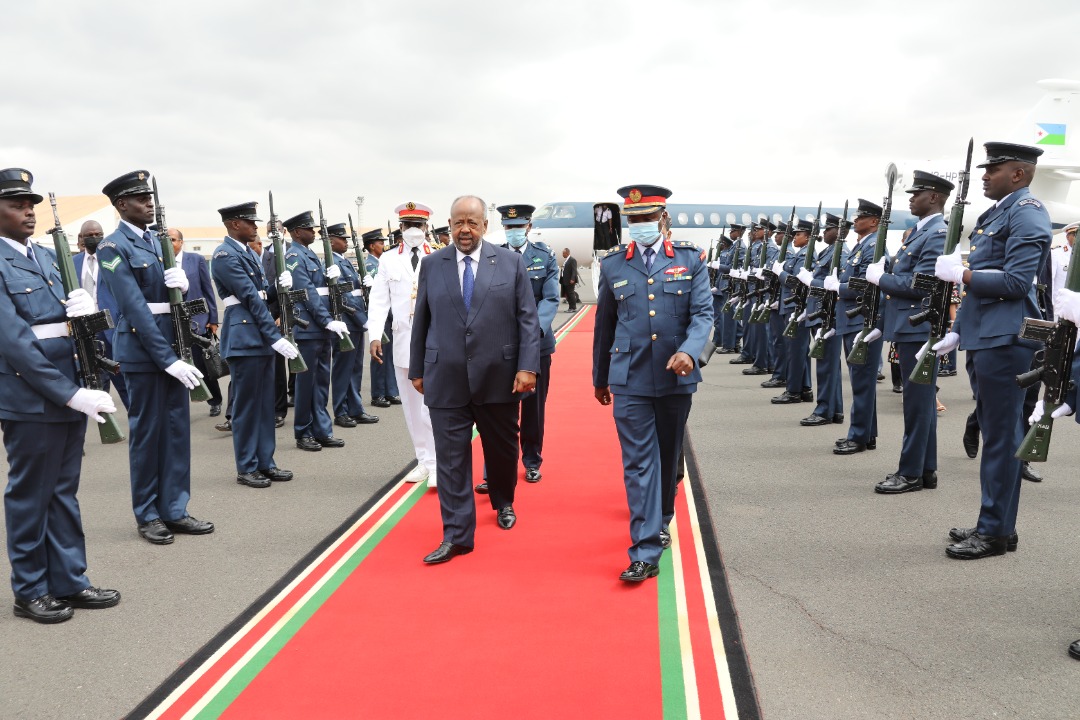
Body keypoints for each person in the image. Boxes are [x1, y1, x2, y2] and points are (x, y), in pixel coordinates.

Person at [0, 168, 121, 623]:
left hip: (71, 385)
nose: (27, 212)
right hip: (31, 397)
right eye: (16, 204)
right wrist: (70, 395)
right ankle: (30, 590)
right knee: (32, 494)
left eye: (30, 204)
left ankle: (69, 580)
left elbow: (67, 324)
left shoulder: (50, 256)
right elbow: (14, 343)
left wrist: (91, 314)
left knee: (63, 492)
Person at [932, 142, 1051, 559]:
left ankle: (996, 532)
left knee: (1001, 439)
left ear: (1018, 174)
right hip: (986, 337)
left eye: (994, 169)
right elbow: (980, 295)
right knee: (996, 436)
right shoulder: (997, 212)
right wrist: (957, 330)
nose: (984, 176)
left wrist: (964, 273)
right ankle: (996, 522)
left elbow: (1018, 283)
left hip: (1006, 341)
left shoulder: (1027, 211)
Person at [410, 195, 540, 564]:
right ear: (449, 225)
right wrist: (418, 367)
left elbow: (527, 319)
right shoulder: (433, 265)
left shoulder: (511, 263)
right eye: (457, 223)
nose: (464, 230)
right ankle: (456, 535)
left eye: (472, 223)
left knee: (501, 450)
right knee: (451, 459)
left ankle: (504, 500)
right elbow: (423, 318)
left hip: (499, 377)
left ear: (485, 226)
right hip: (446, 375)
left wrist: (527, 366)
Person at [593, 185, 712, 582]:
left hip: (675, 377)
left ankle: (661, 516)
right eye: (634, 220)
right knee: (639, 462)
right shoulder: (613, 265)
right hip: (628, 378)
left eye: (647, 219)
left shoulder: (690, 259)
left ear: (663, 219)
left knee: (667, 456)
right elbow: (604, 326)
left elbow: (703, 316)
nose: (640, 226)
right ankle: (645, 549)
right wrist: (600, 378)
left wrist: (691, 352)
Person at [96, 171, 213, 545]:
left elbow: (166, 305)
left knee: (177, 431)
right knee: (147, 435)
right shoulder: (113, 248)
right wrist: (168, 359)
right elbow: (135, 308)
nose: (149, 203)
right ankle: (147, 513)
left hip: (173, 349)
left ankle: (175, 509)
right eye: (139, 198)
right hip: (144, 355)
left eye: (150, 197)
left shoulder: (157, 243)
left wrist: (178, 282)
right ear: (120, 206)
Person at [867, 172, 953, 492]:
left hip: (918, 328)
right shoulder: (920, 233)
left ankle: (910, 473)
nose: (911, 197)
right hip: (908, 326)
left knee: (916, 405)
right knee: (922, 403)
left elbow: (919, 285)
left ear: (934, 197)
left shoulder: (936, 234)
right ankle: (925, 469)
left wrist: (881, 279)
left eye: (917, 193)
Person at [209, 202, 298, 488]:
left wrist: (278, 286)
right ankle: (247, 467)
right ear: (235, 224)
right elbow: (249, 297)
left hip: (258, 337)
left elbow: (261, 293)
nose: (256, 227)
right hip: (245, 338)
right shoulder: (224, 255)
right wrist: (276, 337)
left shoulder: (247, 252)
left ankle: (265, 462)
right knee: (247, 408)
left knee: (265, 407)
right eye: (250, 222)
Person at [474, 205, 559, 492]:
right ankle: (491, 471)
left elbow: (549, 299)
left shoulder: (544, 256)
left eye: (518, 226)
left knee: (533, 409)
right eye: (508, 227)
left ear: (529, 226)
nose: (513, 232)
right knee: (495, 409)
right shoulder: (492, 256)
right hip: (500, 345)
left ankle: (532, 461)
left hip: (536, 344)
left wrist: (532, 331)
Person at [368, 202, 439, 485]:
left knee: (431, 406)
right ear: (400, 228)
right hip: (403, 341)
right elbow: (378, 299)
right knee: (411, 407)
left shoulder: (440, 255)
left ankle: (438, 463)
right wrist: (374, 334)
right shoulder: (387, 259)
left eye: (418, 226)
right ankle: (423, 460)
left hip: (434, 343)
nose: (413, 231)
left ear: (426, 227)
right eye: (408, 226)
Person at [282, 211, 346, 452]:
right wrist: (326, 319)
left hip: (320, 328)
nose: (314, 232)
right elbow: (307, 292)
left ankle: (321, 430)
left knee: (320, 383)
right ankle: (303, 432)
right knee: (305, 385)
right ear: (297, 232)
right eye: (309, 229)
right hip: (308, 327)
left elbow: (320, 290)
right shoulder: (293, 256)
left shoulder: (310, 255)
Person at [833, 200, 884, 455]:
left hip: (861, 320)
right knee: (860, 381)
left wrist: (838, 288)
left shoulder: (874, 246)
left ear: (874, 221)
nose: (855, 221)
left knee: (862, 381)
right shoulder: (861, 246)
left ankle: (859, 436)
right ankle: (867, 433)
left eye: (860, 217)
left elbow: (863, 284)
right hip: (852, 319)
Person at [326, 223, 378, 428]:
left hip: (354, 322)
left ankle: (355, 408)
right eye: (342, 238)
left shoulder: (344, 262)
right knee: (342, 369)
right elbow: (343, 298)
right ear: (331, 241)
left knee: (355, 368)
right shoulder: (331, 265)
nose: (346, 242)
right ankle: (341, 411)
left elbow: (354, 292)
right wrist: (363, 319)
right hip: (346, 321)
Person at [73, 220, 129, 409]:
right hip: (86, 333)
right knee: (96, 384)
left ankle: (138, 421)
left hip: (111, 330)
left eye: (99, 234)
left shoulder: (112, 258)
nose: (95, 238)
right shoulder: (73, 263)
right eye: (90, 235)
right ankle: (106, 423)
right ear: (81, 238)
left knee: (123, 382)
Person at [798, 214, 846, 426]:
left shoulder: (841, 253)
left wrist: (812, 281)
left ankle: (824, 410)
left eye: (828, 229)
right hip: (819, 312)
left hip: (828, 314)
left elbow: (837, 285)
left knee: (826, 366)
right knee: (827, 365)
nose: (824, 233)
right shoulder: (828, 251)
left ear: (839, 231)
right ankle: (834, 409)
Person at [169, 228, 222, 417]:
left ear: (181, 242)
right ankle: (179, 406)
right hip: (172, 322)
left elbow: (208, 290)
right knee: (176, 366)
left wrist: (213, 319)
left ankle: (215, 400)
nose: (169, 243)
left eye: (173, 239)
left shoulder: (196, 259)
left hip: (197, 321)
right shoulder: (159, 262)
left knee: (203, 364)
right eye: (166, 239)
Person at [770, 219, 814, 404]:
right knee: (797, 350)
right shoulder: (800, 254)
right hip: (790, 306)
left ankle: (793, 391)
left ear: (808, 237)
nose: (794, 237)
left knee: (795, 351)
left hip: (796, 307)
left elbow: (796, 282)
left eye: (798, 234)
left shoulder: (806, 256)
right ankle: (804, 388)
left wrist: (780, 273)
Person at [362, 229, 400, 408]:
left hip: (390, 314)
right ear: (371, 246)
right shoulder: (370, 265)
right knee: (379, 354)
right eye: (380, 243)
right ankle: (378, 394)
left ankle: (390, 391)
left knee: (389, 354)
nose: (383, 246)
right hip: (381, 314)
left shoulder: (381, 262)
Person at [1050, 221, 1077, 297]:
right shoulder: (1056, 254)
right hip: (1062, 304)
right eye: (1075, 235)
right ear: (1067, 237)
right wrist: (1051, 305)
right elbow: (1050, 281)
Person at [560, 247, 579, 312]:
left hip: (570, 280)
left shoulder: (572, 260)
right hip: (565, 280)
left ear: (567, 253)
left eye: (563, 253)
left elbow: (574, 270)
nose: (562, 254)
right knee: (568, 294)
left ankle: (573, 308)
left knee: (571, 293)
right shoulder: (566, 260)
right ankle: (571, 307)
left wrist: (572, 279)